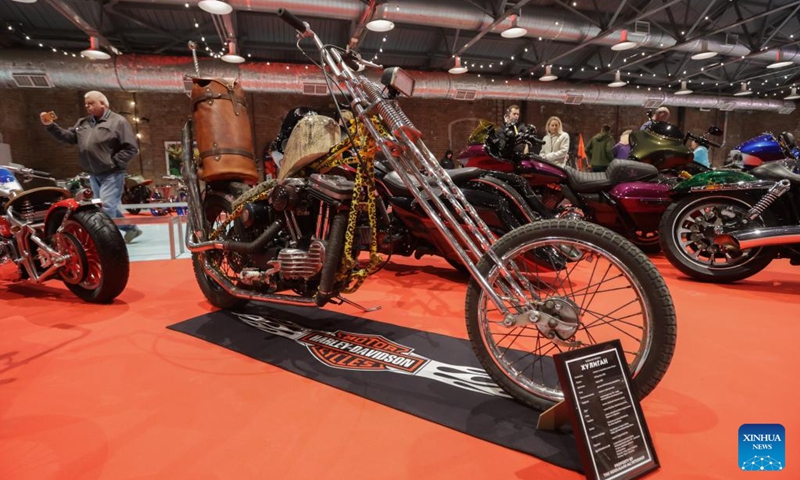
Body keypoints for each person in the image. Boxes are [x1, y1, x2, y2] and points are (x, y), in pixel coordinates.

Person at [40, 91, 142, 243]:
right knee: (105, 207)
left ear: (102, 103)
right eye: (86, 104)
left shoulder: (118, 122)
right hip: (94, 174)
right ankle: (131, 229)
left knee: (106, 207)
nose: (87, 106)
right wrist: (50, 126)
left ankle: (104, 242)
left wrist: (113, 162)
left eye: (91, 103)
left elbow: (131, 148)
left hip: (112, 173)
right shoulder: (83, 123)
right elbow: (68, 137)